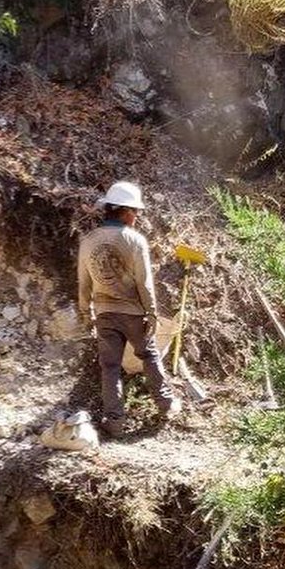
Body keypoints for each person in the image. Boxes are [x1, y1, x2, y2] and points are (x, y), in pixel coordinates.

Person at [77, 180, 181, 437]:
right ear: (124, 211)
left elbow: (84, 282)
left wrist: (86, 311)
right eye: (135, 211)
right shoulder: (135, 240)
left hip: (104, 313)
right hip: (133, 312)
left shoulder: (89, 241)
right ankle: (166, 405)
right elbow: (144, 283)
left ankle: (114, 421)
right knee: (149, 356)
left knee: (110, 367)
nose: (136, 217)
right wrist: (151, 312)